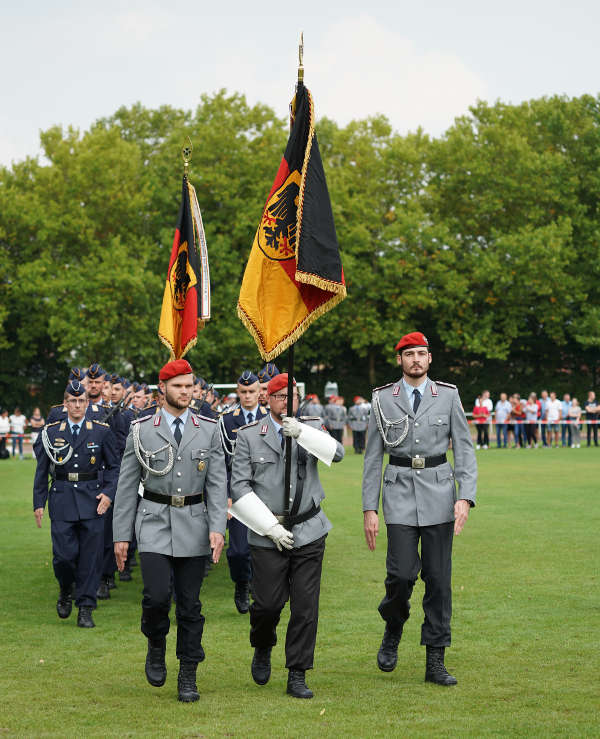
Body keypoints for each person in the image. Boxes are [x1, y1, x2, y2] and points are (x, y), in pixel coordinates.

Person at [361, 332, 476, 686]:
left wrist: (465, 496)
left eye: (421, 354)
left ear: (430, 359)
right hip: (398, 495)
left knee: (439, 580)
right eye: (409, 354)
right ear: (400, 360)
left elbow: (465, 448)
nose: (415, 359)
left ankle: (435, 660)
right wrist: (370, 508)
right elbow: (372, 457)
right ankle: (393, 625)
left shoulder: (449, 395)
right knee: (401, 575)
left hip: (440, 494)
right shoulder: (383, 399)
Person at [112, 359, 227, 703]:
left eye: (190, 386)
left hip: (194, 522)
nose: (186, 392)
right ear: (162, 389)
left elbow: (218, 483)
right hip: (154, 522)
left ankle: (188, 672)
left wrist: (218, 527)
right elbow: (127, 485)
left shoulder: (208, 428)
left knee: (190, 605)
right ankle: (156, 642)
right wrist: (121, 536)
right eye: (179, 386)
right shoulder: (141, 429)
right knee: (157, 596)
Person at [230, 373, 344, 699]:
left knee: (305, 607)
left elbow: (337, 454)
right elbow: (238, 487)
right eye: (279, 396)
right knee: (267, 604)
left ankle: (297, 672)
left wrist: (304, 433)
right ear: (268, 399)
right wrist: (269, 527)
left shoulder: (311, 425)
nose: (286, 401)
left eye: (291, 395)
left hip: (309, 529)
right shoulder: (250, 436)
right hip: (267, 532)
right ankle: (263, 644)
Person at [32, 380, 119, 628]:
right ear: (65, 403)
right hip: (61, 498)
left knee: (90, 559)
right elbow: (41, 470)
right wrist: (39, 501)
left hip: (93, 501)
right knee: (63, 557)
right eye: (72, 401)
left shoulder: (101, 431)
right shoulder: (52, 432)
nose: (77, 405)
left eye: (81, 401)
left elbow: (115, 467)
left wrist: (109, 493)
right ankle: (65, 587)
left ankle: (85, 607)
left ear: (87, 403)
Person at [219, 371, 269, 614]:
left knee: (264, 549)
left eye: (252, 391)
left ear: (261, 392)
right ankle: (241, 583)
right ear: (238, 392)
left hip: (266, 492)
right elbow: (221, 463)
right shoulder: (227, 420)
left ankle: (258, 588)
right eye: (243, 392)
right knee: (238, 550)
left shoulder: (270, 418)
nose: (248, 396)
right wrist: (225, 495)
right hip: (238, 493)